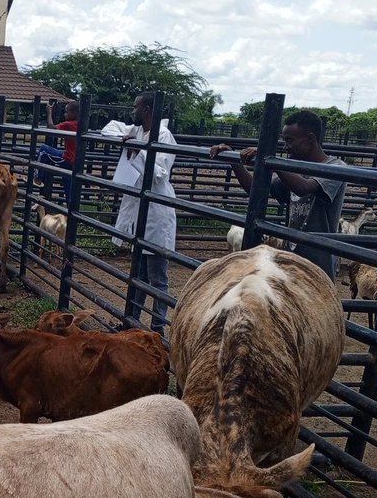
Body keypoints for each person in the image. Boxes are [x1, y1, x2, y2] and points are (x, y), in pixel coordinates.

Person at [210, 110, 347, 281]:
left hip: (318, 264)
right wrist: (234, 161)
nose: (285, 146)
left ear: (310, 139)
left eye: (289, 140)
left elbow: (303, 188)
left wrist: (271, 160)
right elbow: (258, 190)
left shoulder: (335, 167)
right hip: (290, 259)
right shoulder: (296, 168)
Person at [102, 92, 177, 335]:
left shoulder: (163, 135)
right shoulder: (137, 131)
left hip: (156, 212)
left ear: (146, 108)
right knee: (139, 273)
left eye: (135, 107)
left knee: (158, 277)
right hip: (141, 213)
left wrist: (139, 149)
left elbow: (160, 172)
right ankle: (132, 322)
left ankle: (157, 329)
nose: (131, 111)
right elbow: (109, 128)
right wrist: (130, 141)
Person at [36, 99, 78, 206]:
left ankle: (38, 178)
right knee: (68, 187)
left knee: (43, 150)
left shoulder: (68, 124)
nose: (65, 114)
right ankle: (71, 211)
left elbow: (51, 128)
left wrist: (49, 113)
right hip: (75, 161)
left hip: (68, 158)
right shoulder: (80, 124)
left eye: (67, 111)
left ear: (74, 113)